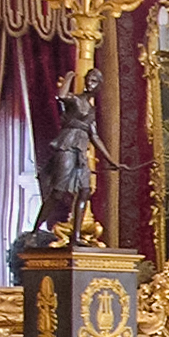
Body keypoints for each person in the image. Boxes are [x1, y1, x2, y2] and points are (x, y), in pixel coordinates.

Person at [34, 68, 126, 245]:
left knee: (84, 191)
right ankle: (35, 230)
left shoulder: (91, 111)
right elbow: (61, 96)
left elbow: (95, 137)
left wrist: (112, 161)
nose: (90, 83)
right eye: (89, 79)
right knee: (58, 192)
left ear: (99, 86)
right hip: (67, 145)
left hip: (81, 151)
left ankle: (75, 238)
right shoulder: (75, 100)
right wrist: (69, 76)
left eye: (94, 81)